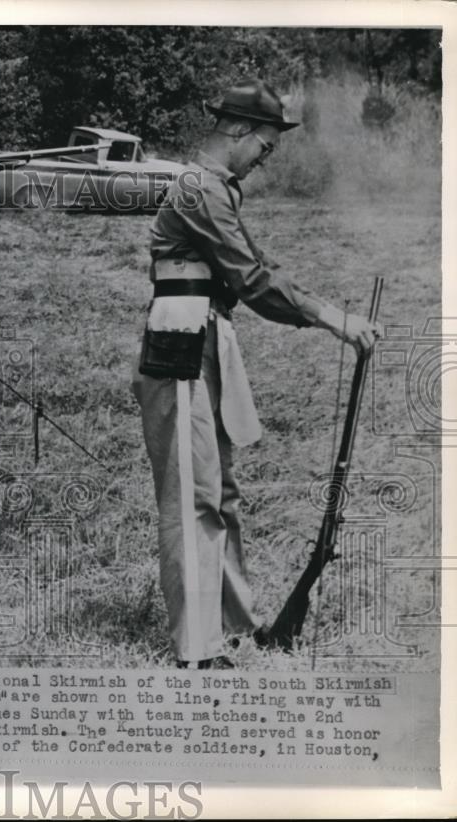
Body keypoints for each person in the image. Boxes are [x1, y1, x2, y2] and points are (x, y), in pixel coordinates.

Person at [130, 79, 382, 670]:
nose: (265, 160)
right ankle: (197, 648)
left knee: (221, 491)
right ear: (238, 130)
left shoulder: (217, 189)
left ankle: (234, 625)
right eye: (265, 147)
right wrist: (332, 318)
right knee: (194, 496)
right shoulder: (200, 188)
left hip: (205, 336)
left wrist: (327, 313)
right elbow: (253, 279)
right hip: (180, 343)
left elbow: (256, 267)